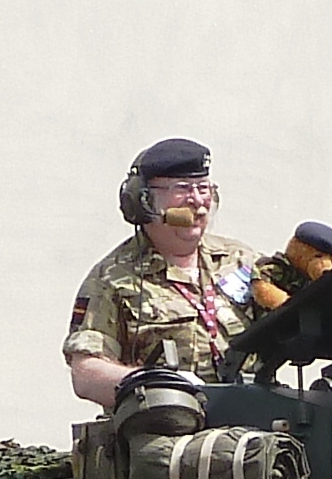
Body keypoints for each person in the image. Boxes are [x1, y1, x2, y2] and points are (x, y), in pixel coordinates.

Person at [61, 137, 258, 406]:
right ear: (143, 200)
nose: (198, 202)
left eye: (204, 188)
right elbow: (86, 372)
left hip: (253, 421)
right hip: (168, 428)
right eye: (183, 189)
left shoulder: (240, 259)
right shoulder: (113, 278)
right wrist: (160, 387)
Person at [249, 218, 332, 312]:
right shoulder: (275, 266)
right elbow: (261, 287)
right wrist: (287, 304)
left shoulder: (312, 282)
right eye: (317, 256)